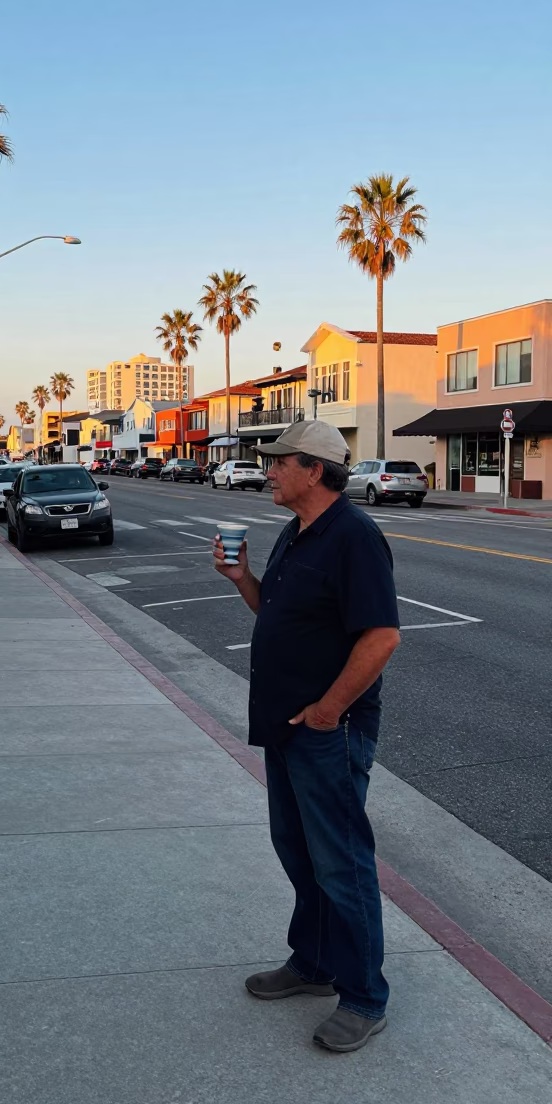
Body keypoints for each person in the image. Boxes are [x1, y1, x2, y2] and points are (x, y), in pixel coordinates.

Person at [213, 418, 400, 1054]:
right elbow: (277, 613)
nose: (267, 470)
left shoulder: (354, 538)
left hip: (327, 732)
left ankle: (365, 996)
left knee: (342, 863)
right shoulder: (297, 532)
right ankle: (314, 963)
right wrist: (241, 579)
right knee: (298, 852)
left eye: (277, 461)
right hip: (285, 727)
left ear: (313, 470)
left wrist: (328, 711)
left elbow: (381, 637)